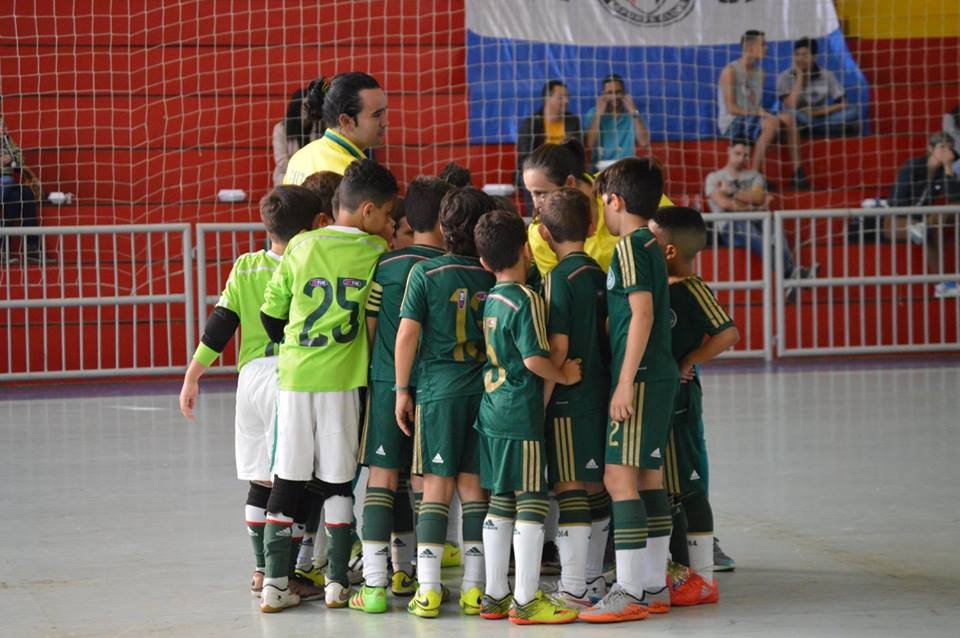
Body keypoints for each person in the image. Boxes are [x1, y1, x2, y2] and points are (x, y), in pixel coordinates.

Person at [178, 185, 331, 603]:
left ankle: (261, 569)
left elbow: (221, 324)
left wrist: (193, 376)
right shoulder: (311, 262)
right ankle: (286, 573)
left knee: (259, 478)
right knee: (294, 479)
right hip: (290, 377)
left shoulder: (245, 266)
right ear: (314, 225)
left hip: (249, 381)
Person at [258, 159, 397, 612]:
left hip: (296, 379)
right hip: (343, 382)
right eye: (389, 214)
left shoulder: (300, 245)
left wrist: (296, 344)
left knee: (288, 477)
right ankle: (337, 584)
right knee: (338, 483)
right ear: (370, 212)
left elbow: (270, 315)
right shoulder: (377, 252)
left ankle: (274, 584)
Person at [579, 158, 679, 624]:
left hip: (638, 377)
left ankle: (630, 590)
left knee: (619, 480)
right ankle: (655, 585)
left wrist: (623, 383)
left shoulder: (628, 249)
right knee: (648, 478)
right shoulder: (651, 244)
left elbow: (642, 314)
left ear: (614, 201)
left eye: (604, 203)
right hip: (655, 373)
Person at [472, 209, 582, 625]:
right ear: (525, 250)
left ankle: (495, 595)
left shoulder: (490, 300)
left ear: (484, 263)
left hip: (492, 411)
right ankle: (526, 599)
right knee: (532, 502)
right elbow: (536, 359)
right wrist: (564, 374)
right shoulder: (527, 299)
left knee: (500, 502)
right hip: (521, 413)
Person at [394, 187, 499, 618]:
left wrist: (402, 390)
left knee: (435, 490)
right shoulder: (493, 273)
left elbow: (407, 335)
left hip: (437, 394)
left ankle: (429, 589)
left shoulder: (426, 273)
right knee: (475, 490)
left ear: (441, 228)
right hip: (483, 393)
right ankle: (476, 589)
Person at [349, 177, 451, 613]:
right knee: (428, 482)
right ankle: (414, 574)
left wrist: (379, 376)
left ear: (407, 219)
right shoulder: (454, 266)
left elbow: (370, 331)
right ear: (446, 221)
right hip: (438, 389)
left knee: (382, 478)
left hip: (389, 382)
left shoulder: (386, 267)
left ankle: (374, 586)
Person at [647, 206, 740, 607]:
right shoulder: (650, 286)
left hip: (681, 401)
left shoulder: (691, 287)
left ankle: (703, 577)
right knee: (663, 486)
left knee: (688, 485)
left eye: (650, 238)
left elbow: (728, 332)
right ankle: (677, 569)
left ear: (668, 250)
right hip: (654, 399)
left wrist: (688, 362)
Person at [537, 188, 612, 606]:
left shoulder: (557, 280)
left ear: (545, 235)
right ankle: (593, 578)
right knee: (595, 486)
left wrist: (545, 396)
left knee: (569, 490)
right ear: (590, 226)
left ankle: (573, 586)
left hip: (568, 400)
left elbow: (558, 349)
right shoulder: (601, 274)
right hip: (600, 395)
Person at [522, 138, 673, 276]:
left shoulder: (621, 183)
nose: (536, 204)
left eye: (541, 193)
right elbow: (560, 291)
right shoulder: (541, 232)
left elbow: (676, 233)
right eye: (531, 194)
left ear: (569, 183)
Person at [705, 138, 810, 286]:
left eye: (746, 155)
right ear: (729, 151)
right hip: (730, 227)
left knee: (775, 228)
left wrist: (732, 191)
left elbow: (758, 198)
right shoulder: (714, 177)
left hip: (757, 221)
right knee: (751, 231)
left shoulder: (755, 175)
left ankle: (790, 278)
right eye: (738, 153)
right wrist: (753, 205)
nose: (742, 158)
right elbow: (725, 204)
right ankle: (791, 274)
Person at [718, 30, 809, 189]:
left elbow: (754, 104)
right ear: (751, 48)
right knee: (772, 122)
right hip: (732, 124)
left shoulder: (761, 72)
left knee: (788, 118)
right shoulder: (730, 71)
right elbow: (731, 108)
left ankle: (798, 173)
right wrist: (759, 113)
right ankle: (754, 175)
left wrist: (760, 113)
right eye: (763, 44)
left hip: (752, 120)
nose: (767, 48)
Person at [886, 132, 960, 298]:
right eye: (942, 147)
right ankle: (942, 283)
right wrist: (917, 220)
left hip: (922, 221)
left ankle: (944, 284)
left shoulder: (943, 173)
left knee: (931, 228)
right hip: (897, 220)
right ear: (930, 148)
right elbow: (896, 203)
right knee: (926, 229)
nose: (946, 151)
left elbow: (954, 199)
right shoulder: (912, 166)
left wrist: (948, 168)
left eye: (950, 148)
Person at [283, 72, 387, 183]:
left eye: (385, 112)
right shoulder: (355, 176)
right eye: (376, 115)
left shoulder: (299, 157)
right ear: (346, 121)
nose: (385, 122)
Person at [517, 80, 582, 212]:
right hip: (539, 173)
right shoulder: (532, 123)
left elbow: (577, 153)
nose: (566, 101)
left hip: (564, 174)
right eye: (561, 97)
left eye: (567, 97)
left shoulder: (572, 121)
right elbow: (523, 158)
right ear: (547, 98)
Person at [777, 37, 859, 137]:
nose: (800, 59)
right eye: (797, 54)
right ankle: (831, 130)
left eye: (805, 55)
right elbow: (791, 106)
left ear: (814, 57)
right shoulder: (784, 76)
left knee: (854, 111)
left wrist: (816, 112)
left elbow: (843, 103)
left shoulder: (827, 75)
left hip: (820, 116)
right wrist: (800, 77)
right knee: (793, 114)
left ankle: (809, 130)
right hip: (796, 117)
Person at [584, 74, 649, 171]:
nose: (614, 97)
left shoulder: (634, 113)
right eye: (610, 93)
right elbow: (589, 144)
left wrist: (634, 112)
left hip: (626, 168)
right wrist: (598, 115)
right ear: (604, 95)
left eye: (618, 92)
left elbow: (644, 142)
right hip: (599, 169)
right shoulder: (593, 113)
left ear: (624, 93)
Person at [1, 116, 42, 262]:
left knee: (24, 194)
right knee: (9, 183)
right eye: (2, 126)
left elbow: (21, 158)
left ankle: (31, 247)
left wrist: (12, 159)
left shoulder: (8, 142)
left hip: (6, 185)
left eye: (5, 126)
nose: (5, 129)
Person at [272, 81, 325, 187]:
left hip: (315, 178)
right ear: (296, 107)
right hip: (287, 176)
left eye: (311, 106)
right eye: (304, 106)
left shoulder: (320, 128)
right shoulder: (281, 129)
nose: (307, 110)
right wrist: (302, 174)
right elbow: (282, 161)